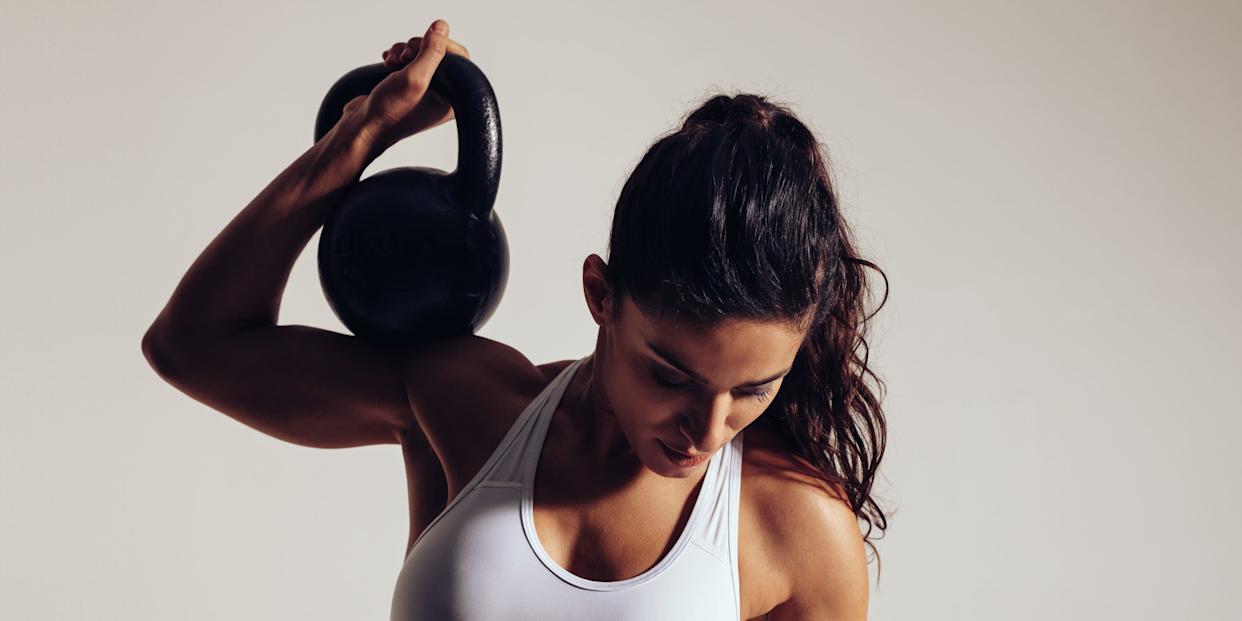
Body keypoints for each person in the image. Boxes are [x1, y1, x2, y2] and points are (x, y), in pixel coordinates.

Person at [142, 18, 889, 621]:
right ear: (600, 294)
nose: (707, 426)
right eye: (670, 374)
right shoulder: (473, 406)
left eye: (753, 389)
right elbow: (194, 345)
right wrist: (363, 133)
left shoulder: (796, 531)